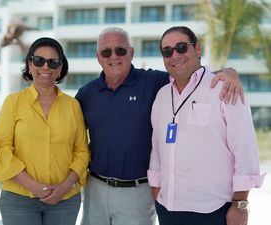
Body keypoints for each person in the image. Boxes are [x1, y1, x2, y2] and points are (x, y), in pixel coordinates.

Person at [75, 27, 244, 225]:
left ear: (131, 53)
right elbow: (70, 137)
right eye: (106, 52)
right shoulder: (87, 93)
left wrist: (228, 72)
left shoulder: (154, 82)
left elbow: (188, 74)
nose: (114, 57)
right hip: (96, 188)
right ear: (98, 57)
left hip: (137, 192)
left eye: (120, 50)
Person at [148, 26, 265, 225]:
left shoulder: (225, 87)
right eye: (167, 51)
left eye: (181, 47)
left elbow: (245, 150)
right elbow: (157, 148)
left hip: (214, 210)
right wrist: (156, 192)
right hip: (168, 208)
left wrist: (240, 204)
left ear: (198, 49)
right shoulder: (161, 96)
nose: (175, 55)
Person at [0, 37, 90, 225]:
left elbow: (82, 151)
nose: (45, 67)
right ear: (29, 64)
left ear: (60, 68)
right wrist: (34, 187)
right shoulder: (13, 102)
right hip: (19, 200)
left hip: (65, 200)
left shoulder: (73, 106)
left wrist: (65, 186)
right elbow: (1, 150)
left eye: (53, 62)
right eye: (39, 61)